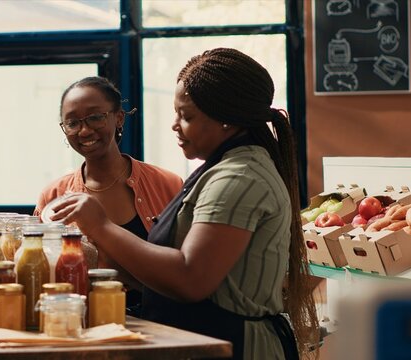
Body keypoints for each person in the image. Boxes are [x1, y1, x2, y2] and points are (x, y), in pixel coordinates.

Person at [49, 49, 319, 359]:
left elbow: (191, 279)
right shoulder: (221, 169)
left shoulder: (239, 178)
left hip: (236, 347)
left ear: (227, 120)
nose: (175, 125)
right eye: (176, 114)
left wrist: (101, 226)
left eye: (187, 116)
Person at [34, 76, 183, 314]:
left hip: (163, 322)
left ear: (119, 117)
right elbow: (42, 273)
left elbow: (186, 271)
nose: (84, 130)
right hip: (83, 323)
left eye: (95, 117)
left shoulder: (167, 184)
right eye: (72, 123)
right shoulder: (54, 196)